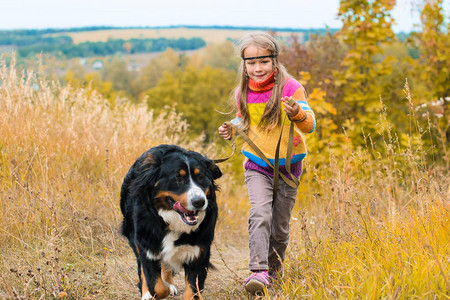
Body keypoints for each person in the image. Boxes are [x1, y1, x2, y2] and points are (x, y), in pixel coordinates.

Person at [218, 32, 316, 294]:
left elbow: (310, 125)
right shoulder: (242, 91)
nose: (257, 68)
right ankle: (258, 271)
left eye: (263, 61)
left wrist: (297, 114)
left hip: (288, 167)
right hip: (257, 164)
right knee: (260, 213)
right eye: (251, 63)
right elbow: (248, 121)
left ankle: (274, 270)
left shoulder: (290, 88)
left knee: (280, 226)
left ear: (275, 61)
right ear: (244, 64)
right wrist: (232, 127)